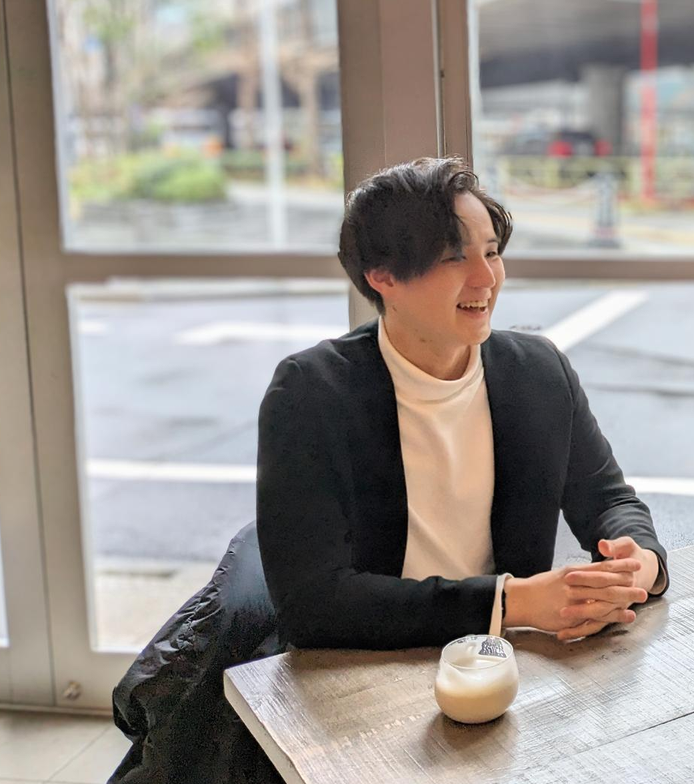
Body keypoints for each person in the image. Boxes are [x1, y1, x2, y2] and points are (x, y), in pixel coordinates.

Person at [257, 157, 668, 649]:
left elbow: (608, 500)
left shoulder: (537, 372)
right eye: (454, 258)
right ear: (383, 275)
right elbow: (311, 604)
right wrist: (511, 603)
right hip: (367, 663)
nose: (486, 278)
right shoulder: (312, 392)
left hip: (501, 663)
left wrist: (637, 564)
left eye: (492, 252)